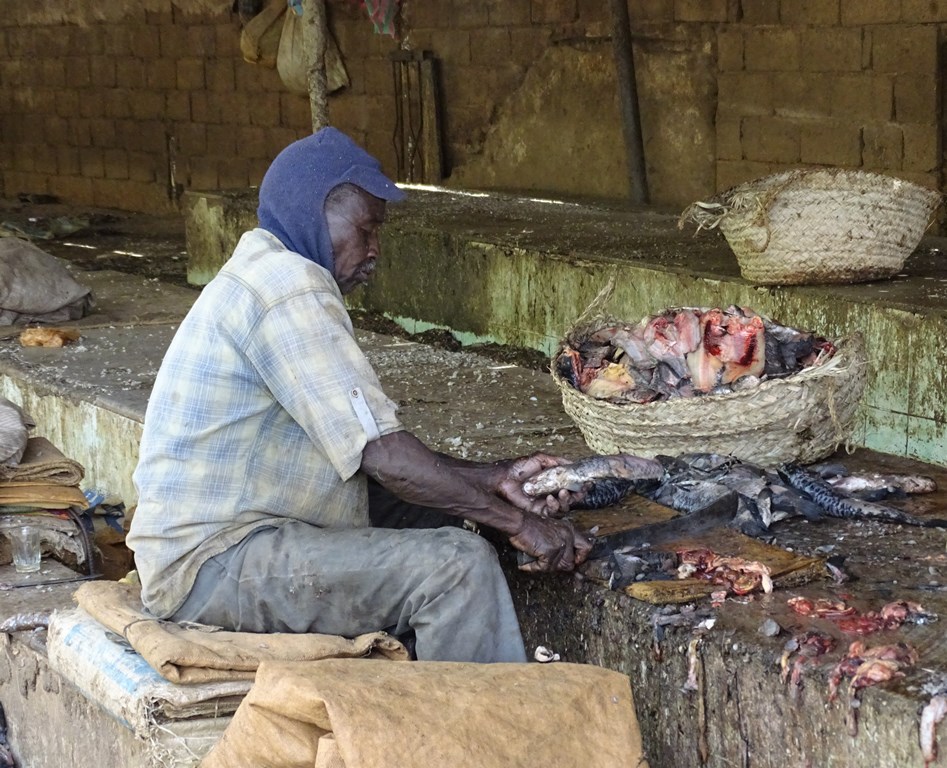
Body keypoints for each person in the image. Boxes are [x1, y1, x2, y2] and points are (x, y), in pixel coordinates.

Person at [126, 127, 591, 664]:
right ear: (313, 210)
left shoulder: (265, 271)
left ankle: (423, 696)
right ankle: (466, 742)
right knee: (455, 565)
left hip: (235, 544)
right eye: (364, 230)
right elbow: (387, 458)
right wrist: (523, 524)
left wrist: (495, 480)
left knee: (443, 518)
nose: (374, 253)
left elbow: (374, 457)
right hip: (211, 566)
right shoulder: (288, 286)